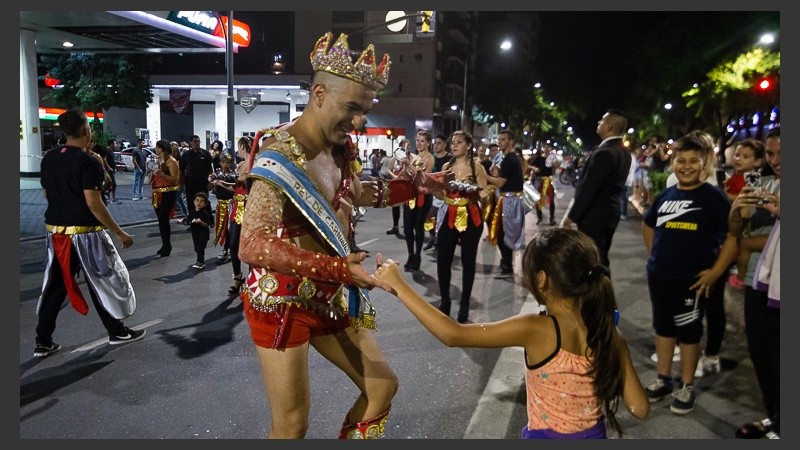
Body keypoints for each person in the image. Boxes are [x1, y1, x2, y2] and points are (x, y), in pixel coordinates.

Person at [237, 32, 450, 439]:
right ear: (319, 93)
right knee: (292, 424)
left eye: (364, 111)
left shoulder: (340, 150)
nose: (358, 121)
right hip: (282, 297)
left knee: (381, 386)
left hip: (330, 290)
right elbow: (254, 243)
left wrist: (422, 186)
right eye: (351, 108)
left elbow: (362, 193)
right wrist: (335, 267)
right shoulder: (278, 155)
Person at [374, 228, 650, 438]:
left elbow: (453, 334)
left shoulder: (536, 329)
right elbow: (639, 407)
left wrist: (400, 286)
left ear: (542, 279)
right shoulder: (609, 334)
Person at [34, 109, 146, 358]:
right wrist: (119, 232)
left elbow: (45, 194)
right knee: (104, 280)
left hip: (56, 233)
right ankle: (116, 330)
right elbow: (94, 203)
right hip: (85, 234)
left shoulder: (50, 158)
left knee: (55, 285)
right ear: (85, 129)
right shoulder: (88, 162)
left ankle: (42, 340)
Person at [641, 133, 733, 416]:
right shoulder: (667, 195)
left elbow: (732, 236)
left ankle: (687, 384)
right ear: (673, 163)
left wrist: (715, 272)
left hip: (692, 279)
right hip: (661, 276)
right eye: (682, 160)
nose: (687, 166)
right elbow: (649, 225)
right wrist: (655, 256)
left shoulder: (714, 198)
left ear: (704, 164)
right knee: (663, 328)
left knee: (689, 333)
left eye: (694, 161)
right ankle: (664, 378)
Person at [729, 126, 780, 439]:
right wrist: (737, 210)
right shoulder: (762, 183)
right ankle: (774, 415)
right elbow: (737, 232)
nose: (776, 160)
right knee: (761, 351)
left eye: (781, 153)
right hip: (758, 281)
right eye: (772, 153)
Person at [562, 109, 632, 270]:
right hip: (610, 213)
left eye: (601, 121)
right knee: (600, 257)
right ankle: (602, 292)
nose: (598, 123)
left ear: (608, 127)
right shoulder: (623, 151)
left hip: (595, 216)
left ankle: (599, 294)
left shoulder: (605, 153)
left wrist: (571, 217)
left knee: (592, 260)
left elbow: (589, 187)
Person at [434, 131, 488, 323]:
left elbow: (485, 194)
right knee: (443, 260)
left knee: (468, 261)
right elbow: (440, 194)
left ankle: (464, 302)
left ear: (468, 146)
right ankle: (445, 300)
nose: (454, 145)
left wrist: (474, 191)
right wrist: (433, 188)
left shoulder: (477, 168)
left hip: (471, 217)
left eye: (459, 142)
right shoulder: (446, 167)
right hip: (449, 214)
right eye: (452, 142)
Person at [722, 139, 766, 290]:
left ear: (758, 161)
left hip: (744, 221)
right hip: (733, 218)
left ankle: (741, 276)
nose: (738, 159)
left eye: (745, 156)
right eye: (737, 155)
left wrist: (728, 195)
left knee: (741, 244)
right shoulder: (735, 175)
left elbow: (747, 198)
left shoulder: (752, 178)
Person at [486, 130, 526, 278]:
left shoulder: (510, 158)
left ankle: (507, 266)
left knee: (505, 233)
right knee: (500, 232)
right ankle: (505, 262)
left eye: (503, 139)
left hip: (510, 200)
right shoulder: (506, 158)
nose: (500, 142)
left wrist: (484, 176)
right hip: (506, 199)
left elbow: (501, 182)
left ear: (511, 142)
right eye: (499, 139)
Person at [401, 130, 435, 271]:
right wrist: (404, 166)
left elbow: (423, 177)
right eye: (417, 140)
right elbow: (404, 174)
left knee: (418, 226)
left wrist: (409, 165)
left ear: (428, 143)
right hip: (410, 194)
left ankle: (418, 255)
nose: (419, 143)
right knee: (408, 227)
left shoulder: (429, 158)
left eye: (422, 141)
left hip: (423, 195)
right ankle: (410, 255)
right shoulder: (413, 156)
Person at [226, 136, 254, 296]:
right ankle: (237, 276)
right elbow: (236, 189)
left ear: (243, 147)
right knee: (233, 243)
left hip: (250, 207)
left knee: (251, 244)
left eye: (239, 147)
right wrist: (221, 183)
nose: (238, 150)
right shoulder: (241, 165)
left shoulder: (256, 163)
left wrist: (244, 181)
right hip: (238, 207)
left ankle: (252, 278)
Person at [149, 139, 180, 257]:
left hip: (168, 192)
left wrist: (161, 174)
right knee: (161, 220)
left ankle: (167, 245)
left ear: (161, 148)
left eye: (157, 147)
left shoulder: (171, 161)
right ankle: (164, 244)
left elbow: (175, 179)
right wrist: (152, 175)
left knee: (163, 217)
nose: (155, 150)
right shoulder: (158, 160)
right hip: (157, 191)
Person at [423, 132, 452, 251]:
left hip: (444, 194)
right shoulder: (431, 158)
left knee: (440, 218)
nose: (436, 145)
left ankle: (438, 241)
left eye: (439, 143)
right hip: (432, 192)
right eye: (435, 143)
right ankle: (433, 238)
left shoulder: (449, 159)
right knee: (426, 215)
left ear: (445, 145)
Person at [209, 153, 237, 264]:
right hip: (220, 204)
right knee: (221, 227)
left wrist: (220, 184)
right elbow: (210, 186)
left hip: (230, 205)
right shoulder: (218, 174)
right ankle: (225, 248)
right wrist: (211, 180)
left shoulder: (233, 175)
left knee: (229, 228)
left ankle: (228, 248)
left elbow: (234, 189)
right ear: (220, 163)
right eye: (224, 162)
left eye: (228, 162)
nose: (226, 164)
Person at [179, 134, 213, 219]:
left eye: (198, 141)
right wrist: (180, 183)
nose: (197, 143)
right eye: (195, 141)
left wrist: (210, 182)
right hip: (190, 184)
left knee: (203, 202)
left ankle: (206, 220)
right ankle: (192, 221)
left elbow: (210, 170)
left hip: (202, 184)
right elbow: (181, 170)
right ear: (191, 143)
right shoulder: (186, 155)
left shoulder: (205, 154)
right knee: (191, 203)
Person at [383, 139, 411, 235]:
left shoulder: (409, 157)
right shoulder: (395, 157)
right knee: (396, 205)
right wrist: (394, 176)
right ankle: (395, 226)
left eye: (408, 146)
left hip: (407, 182)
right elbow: (388, 169)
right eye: (405, 145)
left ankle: (408, 224)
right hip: (397, 182)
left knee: (408, 204)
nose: (406, 147)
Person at [530, 144, 558, 226]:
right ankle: (539, 218)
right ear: (543, 149)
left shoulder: (552, 159)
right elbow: (529, 165)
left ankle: (552, 218)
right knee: (537, 200)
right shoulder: (538, 158)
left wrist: (554, 166)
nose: (546, 149)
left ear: (550, 149)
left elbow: (553, 173)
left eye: (548, 147)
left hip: (548, 181)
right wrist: (535, 168)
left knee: (551, 199)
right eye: (545, 147)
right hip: (539, 180)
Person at [188, 192, 212, 270]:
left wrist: (200, 222)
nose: (199, 203)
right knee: (196, 248)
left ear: (205, 204)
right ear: (194, 202)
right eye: (197, 200)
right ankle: (200, 260)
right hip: (195, 234)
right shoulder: (192, 212)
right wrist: (181, 221)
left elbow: (207, 224)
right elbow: (188, 220)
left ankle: (200, 262)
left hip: (203, 234)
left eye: (201, 201)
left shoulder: (204, 213)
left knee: (200, 248)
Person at [169, 140, 190, 220]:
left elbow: (181, 172)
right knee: (180, 200)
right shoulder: (172, 160)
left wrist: (180, 184)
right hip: (176, 183)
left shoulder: (179, 160)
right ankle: (187, 216)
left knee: (174, 200)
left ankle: (187, 216)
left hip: (179, 183)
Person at [104, 139, 118, 204]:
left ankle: (112, 197)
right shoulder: (107, 150)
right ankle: (112, 198)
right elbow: (104, 159)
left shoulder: (112, 151)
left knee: (111, 185)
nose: (116, 145)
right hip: (108, 170)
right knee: (113, 184)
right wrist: (109, 167)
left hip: (112, 170)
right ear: (111, 144)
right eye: (115, 144)